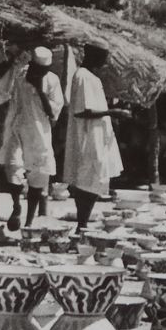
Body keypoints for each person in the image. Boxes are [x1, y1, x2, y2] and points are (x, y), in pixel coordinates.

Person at [0, 46, 64, 230]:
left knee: (38, 175)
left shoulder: (52, 81)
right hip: (16, 127)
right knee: (13, 166)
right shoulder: (19, 74)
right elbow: (2, 94)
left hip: (38, 132)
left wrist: (40, 90)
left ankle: (29, 221)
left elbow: (54, 114)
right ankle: (16, 205)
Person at [63, 43, 126, 230]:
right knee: (88, 179)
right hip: (88, 136)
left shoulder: (92, 78)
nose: (104, 63)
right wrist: (113, 112)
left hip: (97, 135)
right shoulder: (82, 76)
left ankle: (83, 224)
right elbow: (82, 111)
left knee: (95, 179)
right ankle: (81, 225)